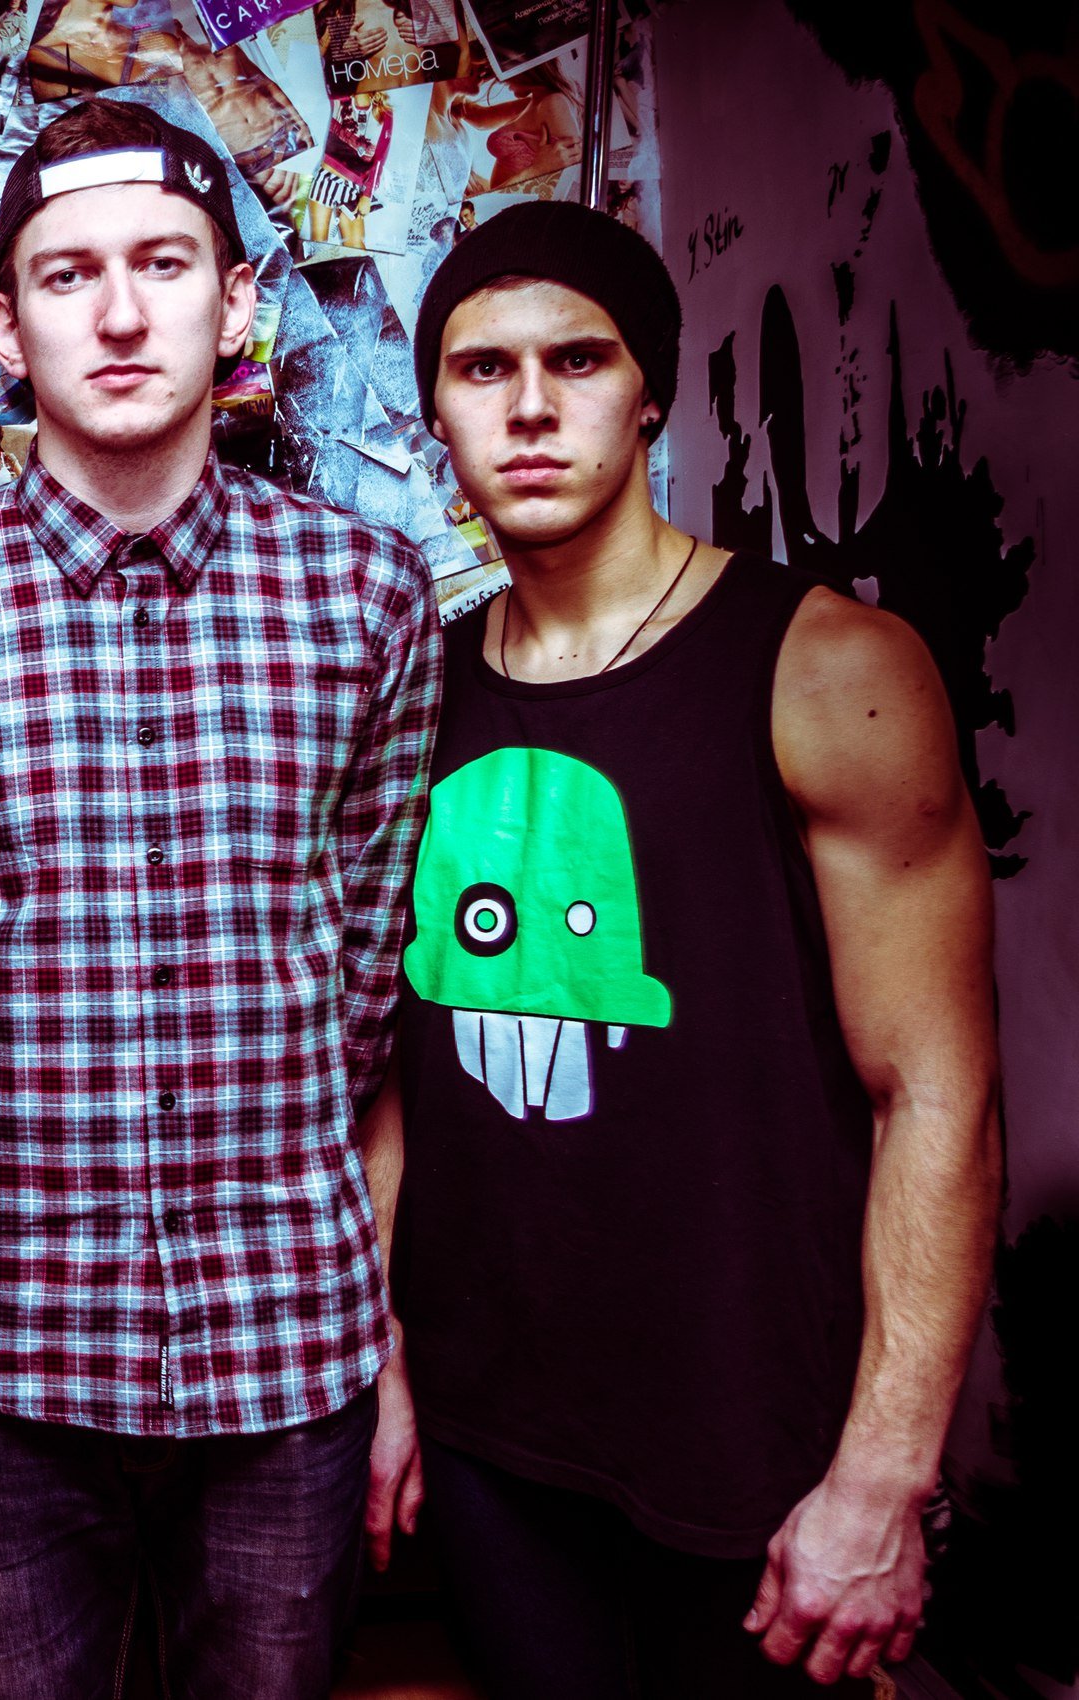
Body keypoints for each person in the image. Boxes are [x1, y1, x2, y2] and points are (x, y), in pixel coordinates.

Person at [0, 97, 442, 1700]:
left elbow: (368, 961)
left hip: (280, 1336)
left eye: (163, 265)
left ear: (236, 308)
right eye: (68, 274)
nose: (117, 313)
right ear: (4, 331)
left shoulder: (368, 595)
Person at [375, 198, 1001, 1697]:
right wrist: (382, 1370)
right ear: (436, 417)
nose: (530, 407)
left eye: (578, 360)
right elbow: (389, 1076)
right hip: (489, 1430)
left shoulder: (828, 667)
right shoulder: (414, 698)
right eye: (482, 369)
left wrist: (884, 1475)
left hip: (751, 1442)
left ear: (649, 393)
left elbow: (937, 1090)